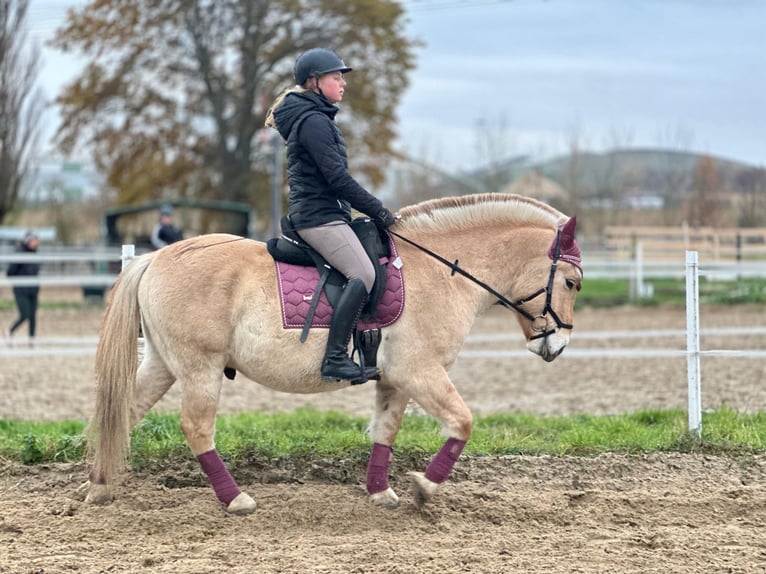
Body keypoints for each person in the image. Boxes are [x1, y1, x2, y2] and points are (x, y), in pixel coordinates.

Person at [264, 48, 398, 385]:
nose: (343, 83)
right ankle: (335, 358)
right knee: (363, 274)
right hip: (318, 218)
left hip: (327, 213)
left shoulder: (316, 117)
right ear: (314, 81)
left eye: (342, 77)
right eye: (336, 77)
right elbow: (337, 179)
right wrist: (377, 210)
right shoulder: (313, 122)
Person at [5, 231, 41, 344]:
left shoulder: (35, 255)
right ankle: (10, 331)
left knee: (33, 316)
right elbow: (10, 272)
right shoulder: (20, 254)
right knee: (25, 314)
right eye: (34, 240)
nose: (37, 242)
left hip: (33, 289)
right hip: (21, 290)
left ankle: (32, 339)